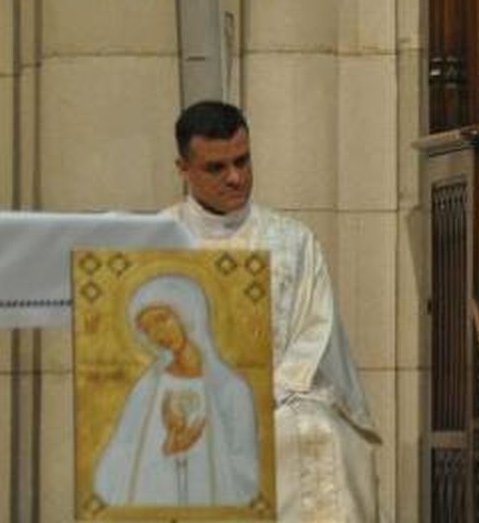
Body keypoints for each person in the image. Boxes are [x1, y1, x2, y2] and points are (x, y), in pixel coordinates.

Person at [164, 101, 382, 521]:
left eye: (243, 161)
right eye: (216, 167)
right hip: (185, 398)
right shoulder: (158, 241)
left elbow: (313, 332)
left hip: (277, 397)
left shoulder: (291, 240)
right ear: (183, 169)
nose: (236, 177)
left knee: (319, 433)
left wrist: (265, 394)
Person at [94, 274, 260, 507]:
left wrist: (195, 453)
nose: (157, 334)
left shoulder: (231, 390)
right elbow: (118, 460)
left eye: (162, 319)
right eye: (147, 329)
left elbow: (247, 474)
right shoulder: (147, 387)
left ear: (189, 313)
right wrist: (167, 450)